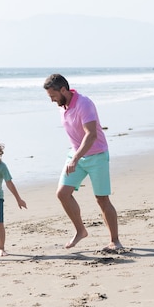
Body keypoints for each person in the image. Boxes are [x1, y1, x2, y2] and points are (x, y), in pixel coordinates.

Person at [43, 74, 123, 251]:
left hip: (97, 155)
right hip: (76, 155)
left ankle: (115, 241)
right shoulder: (62, 106)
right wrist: (75, 156)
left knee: (102, 199)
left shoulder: (83, 104)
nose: (52, 100)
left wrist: (76, 158)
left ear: (63, 90)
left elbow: (91, 134)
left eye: (53, 96)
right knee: (62, 193)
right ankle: (81, 231)